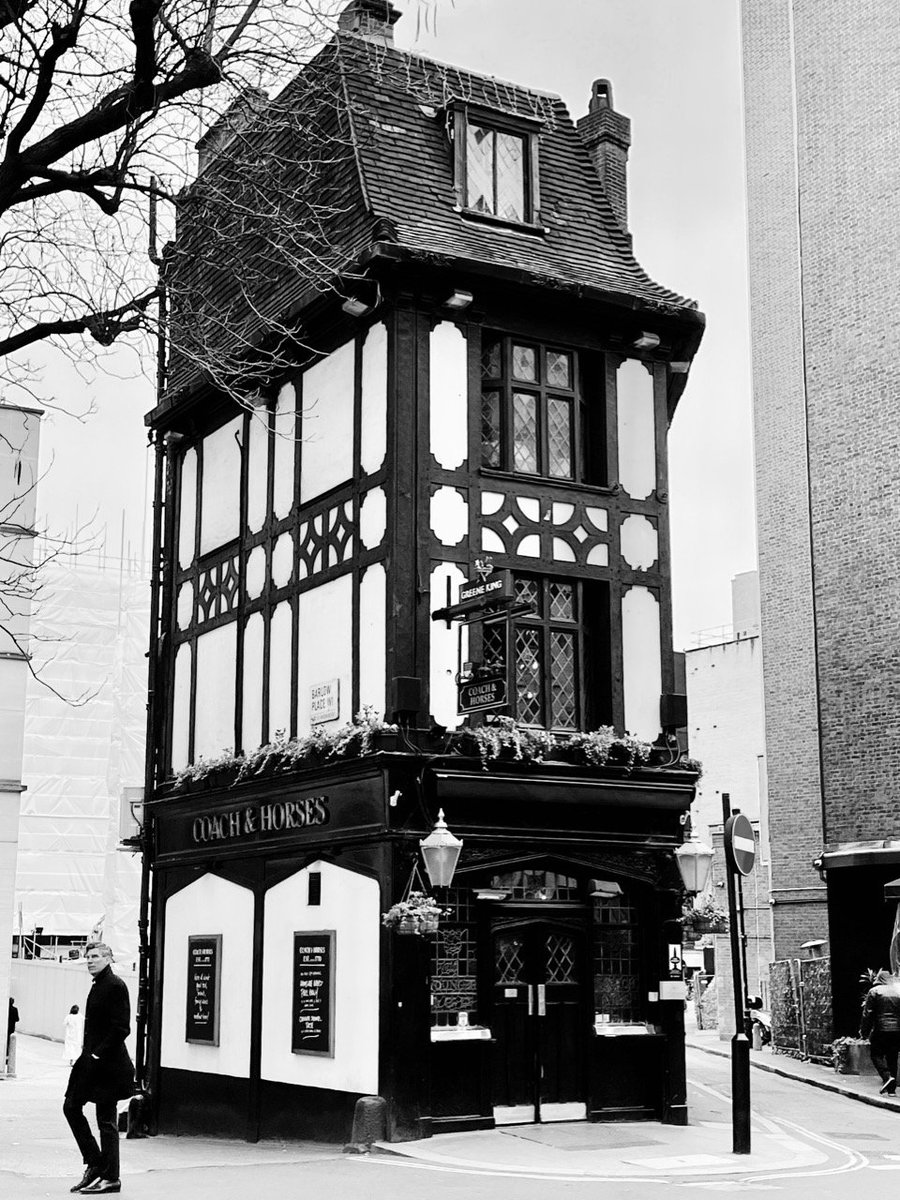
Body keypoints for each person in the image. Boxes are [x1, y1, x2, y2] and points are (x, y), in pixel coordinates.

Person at [63, 943, 134, 1194]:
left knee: (106, 1120)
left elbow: (121, 1028)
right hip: (91, 1062)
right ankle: (95, 1162)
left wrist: (95, 1054)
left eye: (95, 956)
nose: (89, 961)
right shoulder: (98, 984)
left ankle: (111, 1177)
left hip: (108, 1066)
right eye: (88, 957)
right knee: (71, 1106)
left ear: (108, 958)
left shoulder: (115, 985)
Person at [860, 968, 900, 1095]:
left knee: (876, 1054)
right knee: (892, 1056)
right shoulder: (898, 992)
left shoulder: (874, 991)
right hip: (897, 1030)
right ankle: (892, 1090)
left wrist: (864, 1032)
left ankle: (887, 1076)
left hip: (881, 1029)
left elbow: (868, 1014)